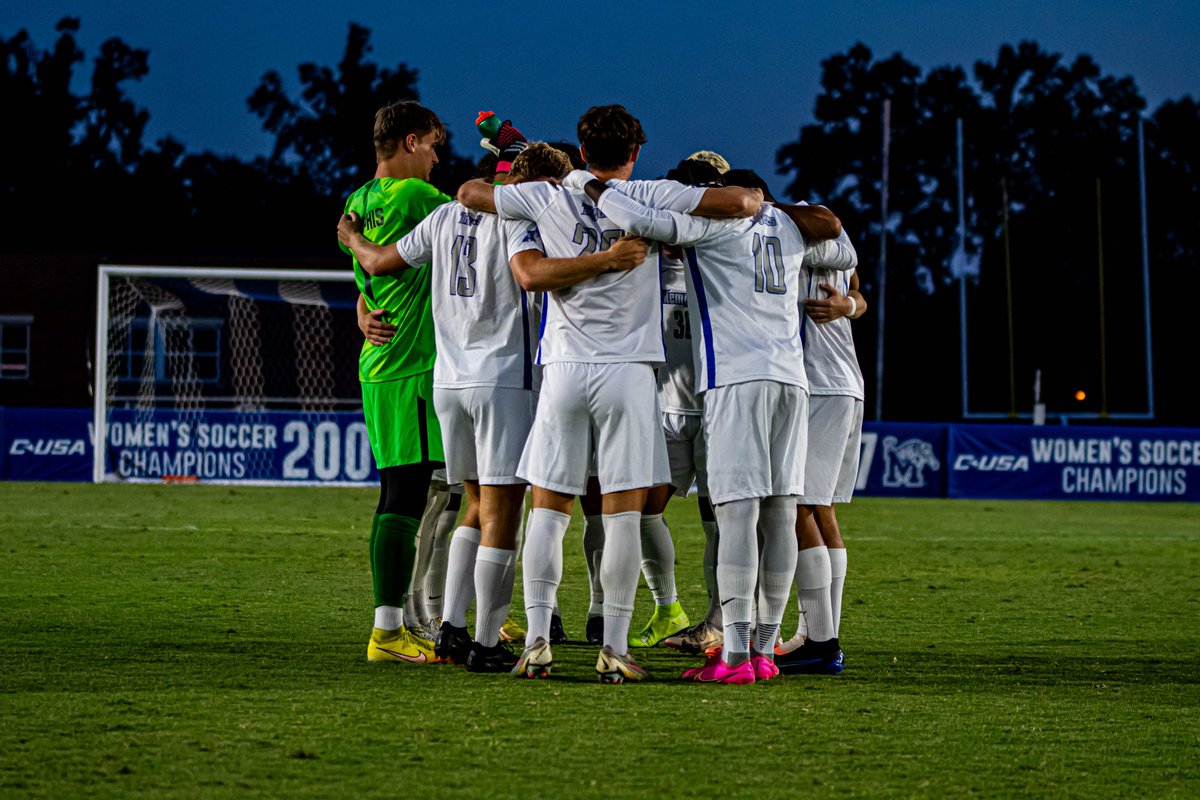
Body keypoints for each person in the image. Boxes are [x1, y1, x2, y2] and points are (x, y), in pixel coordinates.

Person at [457, 104, 761, 682]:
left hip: (564, 369)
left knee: (549, 510)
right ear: (636, 152)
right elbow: (741, 203)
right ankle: (615, 649)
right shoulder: (652, 194)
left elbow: (470, 193)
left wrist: (544, 180)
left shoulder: (547, 196)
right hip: (629, 373)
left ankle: (538, 640)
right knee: (622, 516)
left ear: (581, 148)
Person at [340, 139, 649, 673]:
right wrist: (606, 260)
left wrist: (351, 240)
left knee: (473, 506)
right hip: (504, 380)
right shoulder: (524, 220)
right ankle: (485, 641)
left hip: (449, 382)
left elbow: (383, 262)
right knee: (503, 516)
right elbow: (537, 274)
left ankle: (451, 628)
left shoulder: (442, 216)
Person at [563, 167, 855, 683]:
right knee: (780, 514)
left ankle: (736, 655)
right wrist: (851, 299)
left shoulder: (713, 228)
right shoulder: (790, 228)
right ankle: (764, 652)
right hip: (792, 380)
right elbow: (841, 247)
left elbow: (636, 218)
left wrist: (584, 182)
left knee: (737, 517)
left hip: (736, 382)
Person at [341, 101, 451, 664]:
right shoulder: (415, 197)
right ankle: (389, 631)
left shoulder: (358, 200)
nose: (436, 159)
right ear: (410, 142)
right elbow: (475, 219)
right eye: (432, 146)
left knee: (402, 494)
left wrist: (361, 309)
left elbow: (366, 280)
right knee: (410, 497)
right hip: (412, 366)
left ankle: (410, 620)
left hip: (378, 363)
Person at [776, 242, 867, 675]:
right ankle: (814, 633)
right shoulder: (835, 237)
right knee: (820, 507)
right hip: (842, 381)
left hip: (821, 383)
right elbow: (858, 293)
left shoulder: (792, 232)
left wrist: (847, 305)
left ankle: (821, 642)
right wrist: (849, 304)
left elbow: (857, 294)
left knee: (794, 505)